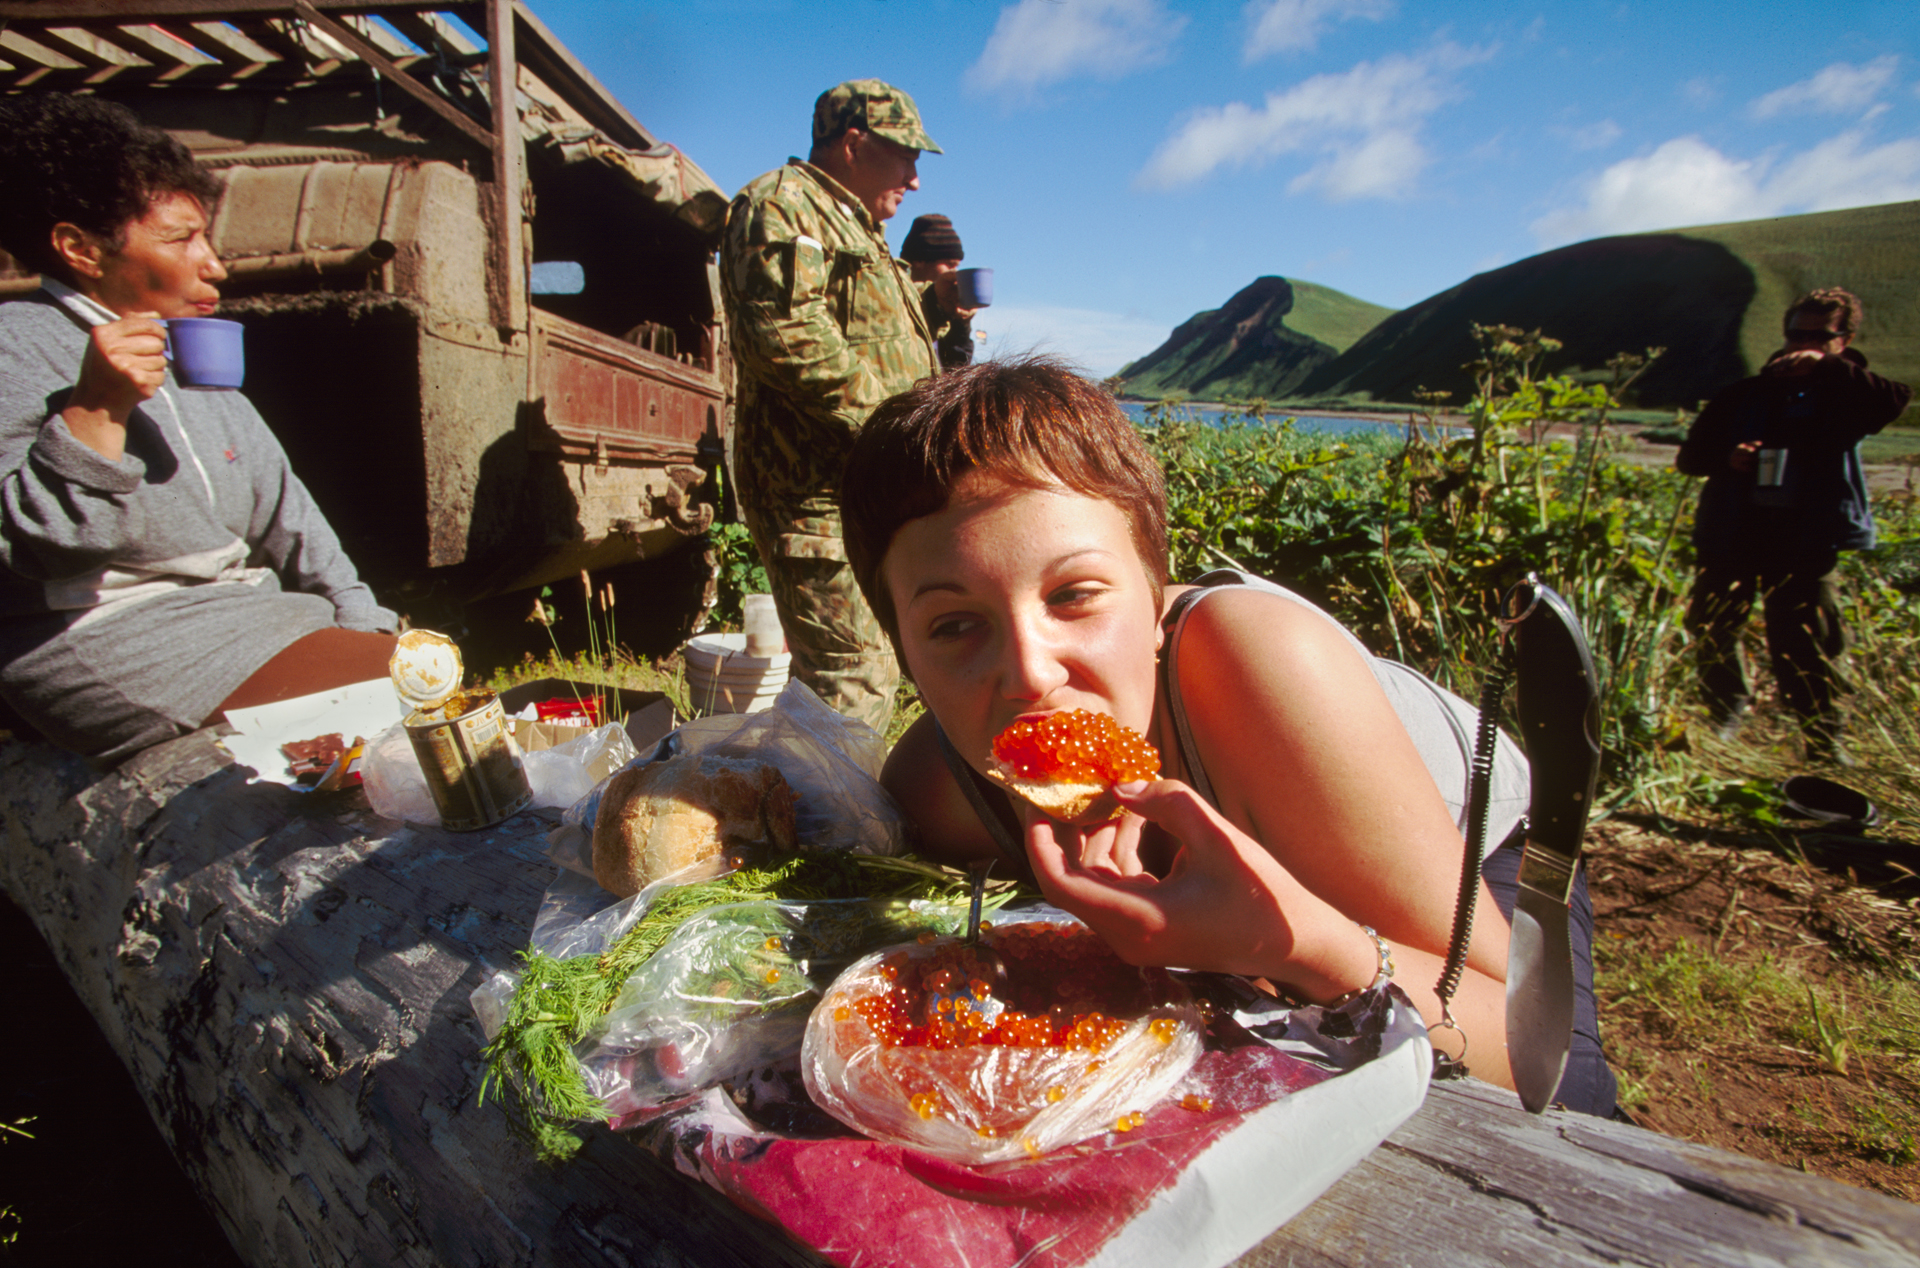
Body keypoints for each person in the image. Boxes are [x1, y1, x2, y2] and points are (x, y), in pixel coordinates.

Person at [840, 357, 1618, 1116]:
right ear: (905, 654)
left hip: (1464, 838)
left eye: (1075, 594)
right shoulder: (935, 796)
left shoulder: (1268, 667)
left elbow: (1536, 1063)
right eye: (954, 625)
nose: (1030, 673)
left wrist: (1299, 945)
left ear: (1153, 601)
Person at [0, 93, 399, 765]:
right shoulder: (17, 345)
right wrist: (98, 409)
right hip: (113, 641)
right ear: (79, 248)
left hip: (249, 620)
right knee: (402, 698)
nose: (214, 263)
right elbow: (46, 552)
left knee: (421, 673)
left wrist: (364, 618)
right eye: (180, 238)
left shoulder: (190, 355)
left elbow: (288, 512)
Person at [719, 79, 944, 734]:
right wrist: (895, 431)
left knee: (869, 667)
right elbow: (786, 336)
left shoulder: (854, 226)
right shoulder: (782, 205)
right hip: (811, 494)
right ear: (854, 142)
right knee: (855, 671)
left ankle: (822, 809)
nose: (915, 177)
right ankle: (831, 830)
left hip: (857, 488)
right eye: (906, 154)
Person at [1677, 288, 1911, 761]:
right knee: (1715, 625)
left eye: (1819, 337)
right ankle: (1724, 716)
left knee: (1810, 636)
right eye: (1796, 335)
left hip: (1807, 535)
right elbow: (1690, 458)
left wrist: (1825, 367)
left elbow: (1893, 401)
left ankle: (1824, 741)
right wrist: (1729, 457)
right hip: (1734, 529)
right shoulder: (1745, 394)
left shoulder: (1850, 392)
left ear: (1843, 340)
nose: (1804, 344)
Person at [898, 213, 977, 370]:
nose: (955, 273)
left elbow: (955, 369)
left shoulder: (945, 307)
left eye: (957, 266)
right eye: (949, 265)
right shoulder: (893, 298)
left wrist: (961, 325)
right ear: (920, 261)